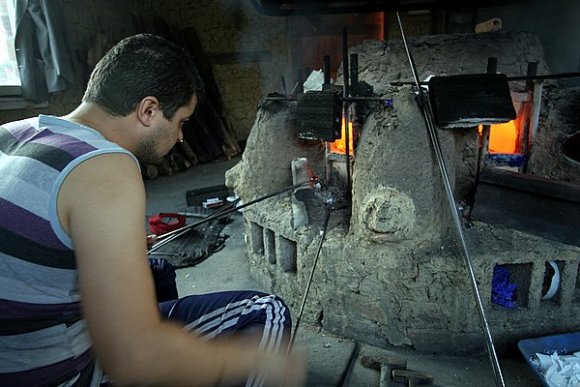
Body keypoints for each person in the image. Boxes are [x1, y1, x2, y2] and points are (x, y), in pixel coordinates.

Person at [0, 33, 304, 387]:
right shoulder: (104, 166)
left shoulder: (12, 133)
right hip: (65, 375)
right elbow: (133, 359)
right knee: (266, 312)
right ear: (148, 111)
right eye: (181, 123)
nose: (179, 138)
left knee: (156, 270)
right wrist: (258, 361)